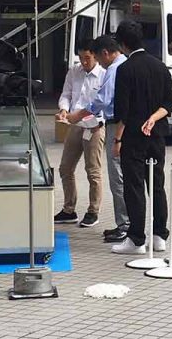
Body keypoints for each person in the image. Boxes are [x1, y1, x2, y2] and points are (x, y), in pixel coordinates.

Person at [111, 20, 172, 255]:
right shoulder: (160, 67)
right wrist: (154, 117)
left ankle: (136, 239)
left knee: (134, 186)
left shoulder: (125, 69)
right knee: (157, 185)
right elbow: (170, 102)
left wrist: (117, 140)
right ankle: (160, 236)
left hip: (134, 137)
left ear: (123, 44)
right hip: (157, 134)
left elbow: (122, 112)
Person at [71, 35, 129, 243]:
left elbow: (103, 100)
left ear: (104, 53)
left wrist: (77, 115)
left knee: (117, 177)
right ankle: (125, 224)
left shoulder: (113, 69)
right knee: (121, 176)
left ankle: (125, 225)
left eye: (95, 57)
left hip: (112, 125)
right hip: (117, 125)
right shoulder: (125, 64)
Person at [53, 45, 106, 228]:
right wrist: (63, 110)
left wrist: (82, 116)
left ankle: (93, 211)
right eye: (81, 58)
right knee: (65, 167)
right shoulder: (74, 71)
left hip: (94, 126)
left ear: (96, 57)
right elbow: (66, 94)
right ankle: (69, 209)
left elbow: (102, 104)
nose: (84, 62)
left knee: (93, 170)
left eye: (88, 58)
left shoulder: (104, 74)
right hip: (75, 124)